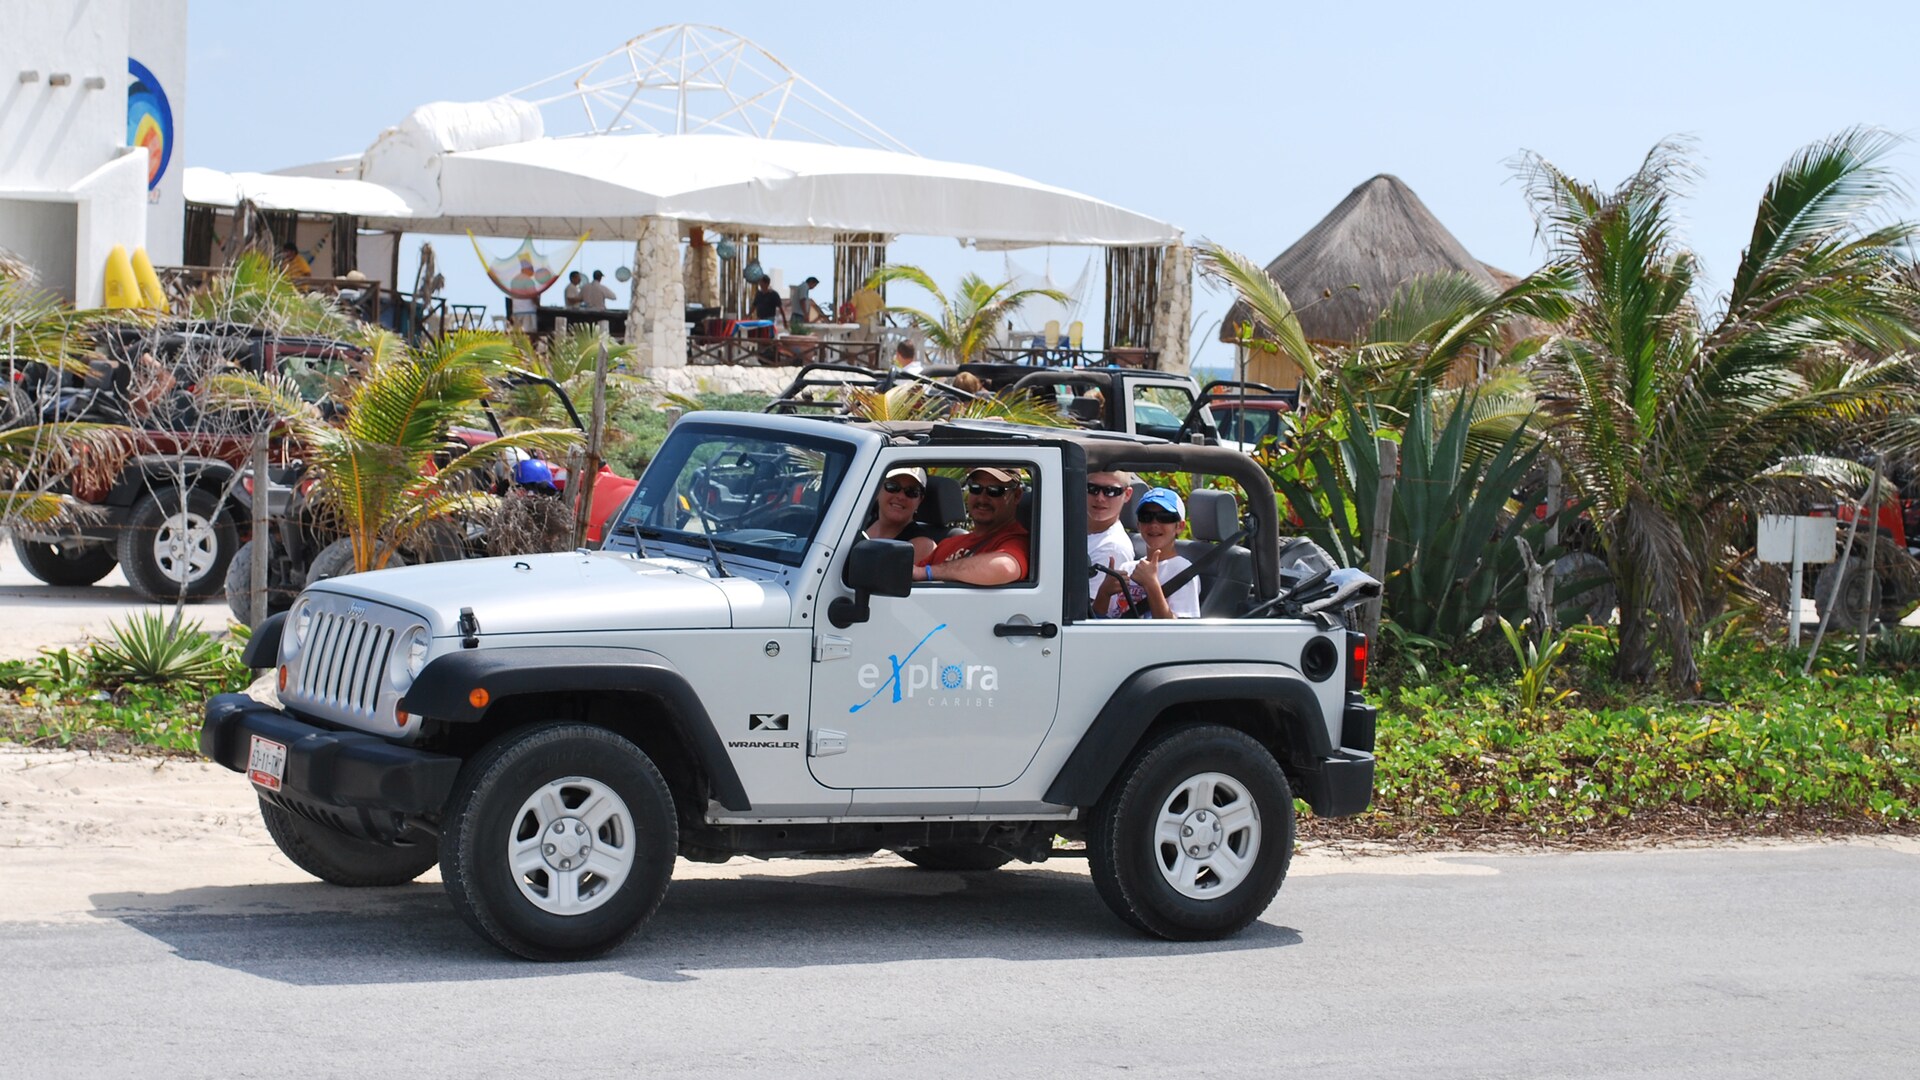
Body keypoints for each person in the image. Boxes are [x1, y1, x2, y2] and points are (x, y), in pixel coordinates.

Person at [1095, 487, 1200, 619]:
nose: (1154, 524)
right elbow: (1097, 618)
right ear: (1138, 525)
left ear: (1179, 526)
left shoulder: (1183, 571)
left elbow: (1178, 633)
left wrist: (1151, 585)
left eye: (1165, 517)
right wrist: (1104, 592)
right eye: (1146, 517)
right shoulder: (1126, 568)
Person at [917, 466, 1027, 586]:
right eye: (976, 488)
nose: (982, 499)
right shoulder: (947, 544)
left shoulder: (1018, 542)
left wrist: (928, 572)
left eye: (994, 490)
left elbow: (1005, 567)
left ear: (1016, 496)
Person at [862, 466, 940, 562]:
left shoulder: (922, 546)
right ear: (877, 489)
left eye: (911, 492)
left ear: (920, 500)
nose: (901, 496)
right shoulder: (857, 525)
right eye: (892, 486)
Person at [1085, 471, 1135, 601]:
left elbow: (1088, 608)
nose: (1100, 498)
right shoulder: (1067, 528)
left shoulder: (1113, 548)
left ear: (1127, 494)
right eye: (1092, 489)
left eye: (1111, 491)